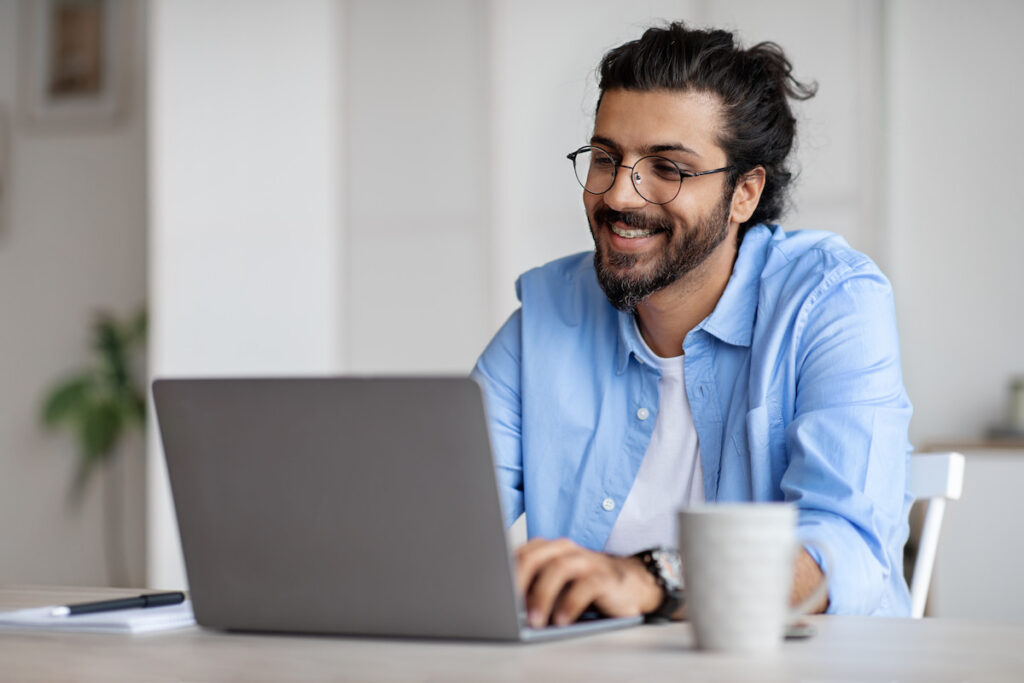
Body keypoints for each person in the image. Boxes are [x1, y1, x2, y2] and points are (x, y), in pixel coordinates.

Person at [471, 21, 913, 627]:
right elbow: (441, 523)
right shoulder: (548, 316)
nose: (621, 195)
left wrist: (653, 579)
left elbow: (848, 549)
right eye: (606, 158)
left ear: (744, 194)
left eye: (668, 168)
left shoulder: (831, 300)